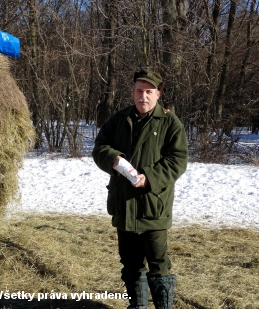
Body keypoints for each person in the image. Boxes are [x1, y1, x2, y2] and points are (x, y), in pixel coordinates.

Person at [92, 69, 188, 309]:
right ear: (132, 92)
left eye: (148, 92)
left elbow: (178, 160)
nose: (142, 96)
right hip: (123, 203)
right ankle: (137, 306)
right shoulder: (118, 120)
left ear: (158, 93)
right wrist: (113, 159)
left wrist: (150, 178)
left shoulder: (169, 123)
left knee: (158, 262)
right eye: (138, 91)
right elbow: (100, 147)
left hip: (153, 203)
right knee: (130, 262)